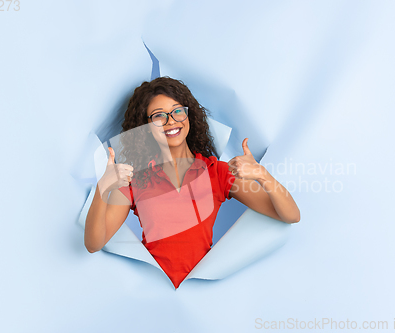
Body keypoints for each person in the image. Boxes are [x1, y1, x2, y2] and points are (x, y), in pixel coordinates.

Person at [84, 77, 300, 288]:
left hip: (201, 294)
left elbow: (291, 215)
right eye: (158, 116)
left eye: (177, 111)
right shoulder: (135, 179)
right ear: (146, 126)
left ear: (189, 115)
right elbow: (94, 243)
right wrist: (104, 186)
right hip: (152, 291)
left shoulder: (218, 173)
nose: (171, 121)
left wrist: (263, 175)